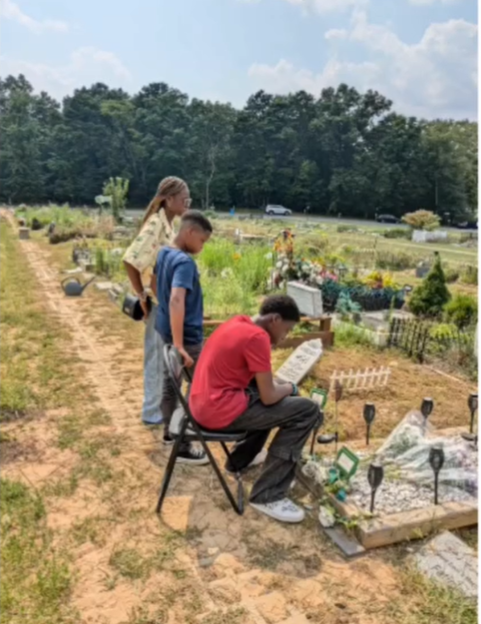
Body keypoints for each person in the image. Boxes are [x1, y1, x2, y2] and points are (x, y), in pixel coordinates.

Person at [189, 295, 322, 523]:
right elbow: (269, 397)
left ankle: (240, 459)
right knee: (307, 410)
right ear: (275, 319)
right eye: (287, 329)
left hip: (202, 403)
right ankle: (267, 495)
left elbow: (259, 383)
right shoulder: (257, 337)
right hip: (217, 410)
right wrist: (290, 387)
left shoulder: (238, 323)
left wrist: (283, 389)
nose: (285, 336)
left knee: (272, 398)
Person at [123, 177, 191, 425]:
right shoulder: (156, 224)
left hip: (166, 304)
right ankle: (151, 413)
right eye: (184, 199)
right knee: (156, 359)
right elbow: (131, 260)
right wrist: (141, 296)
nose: (187, 203)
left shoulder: (169, 225)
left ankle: (161, 410)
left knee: (166, 359)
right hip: (158, 304)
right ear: (169, 199)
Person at [152, 210, 213, 463]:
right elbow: (177, 297)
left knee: (171, 384)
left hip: (167, 329)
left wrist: (165, 311)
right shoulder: (185, 263)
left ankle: (169, 433)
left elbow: (155, 284)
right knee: (198, 387)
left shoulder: (165, 253)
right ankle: (184, 445)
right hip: (186, 338)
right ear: (189, 232)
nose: (202, 246)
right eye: (202, 240)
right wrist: (179, 344)